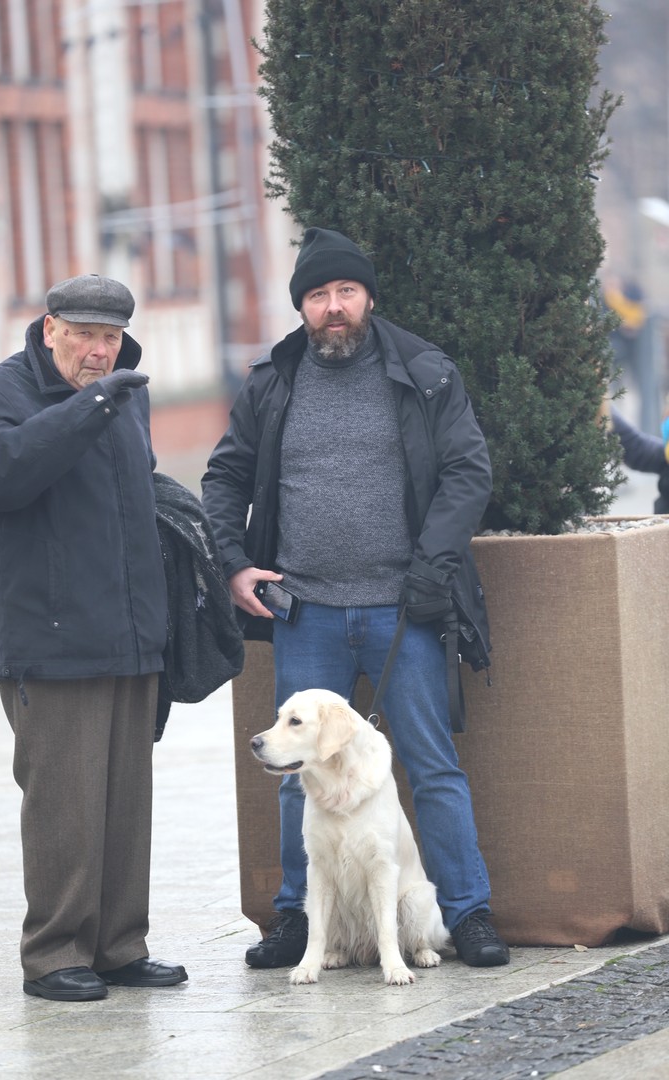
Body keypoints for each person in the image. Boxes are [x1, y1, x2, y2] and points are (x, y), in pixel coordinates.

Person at [202, 227, 509, 968]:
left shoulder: (424, 373)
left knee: (432, 764)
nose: (332, 308)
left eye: (345, 292)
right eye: (317, 296)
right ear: (302, 307)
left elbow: (469, 471)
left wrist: (434, 562)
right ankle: (297, 921)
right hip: (303, 612)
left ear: (368, 296)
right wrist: (236, 565)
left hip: (404, 609)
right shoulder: (273, 383)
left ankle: (466, 913)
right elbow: (224, 478)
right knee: (293, 775)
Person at [0, 274, 187, 1002]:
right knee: (64, 801)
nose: (97, 351)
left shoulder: (128, 392)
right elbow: (5, 477)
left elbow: (141, 494)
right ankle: (54, 954)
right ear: (48, 327)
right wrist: (90, 405)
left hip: (127, 632)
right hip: (48, 640)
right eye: (83, 335)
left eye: (109, 338)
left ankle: (119, 945)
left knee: (123, 801)